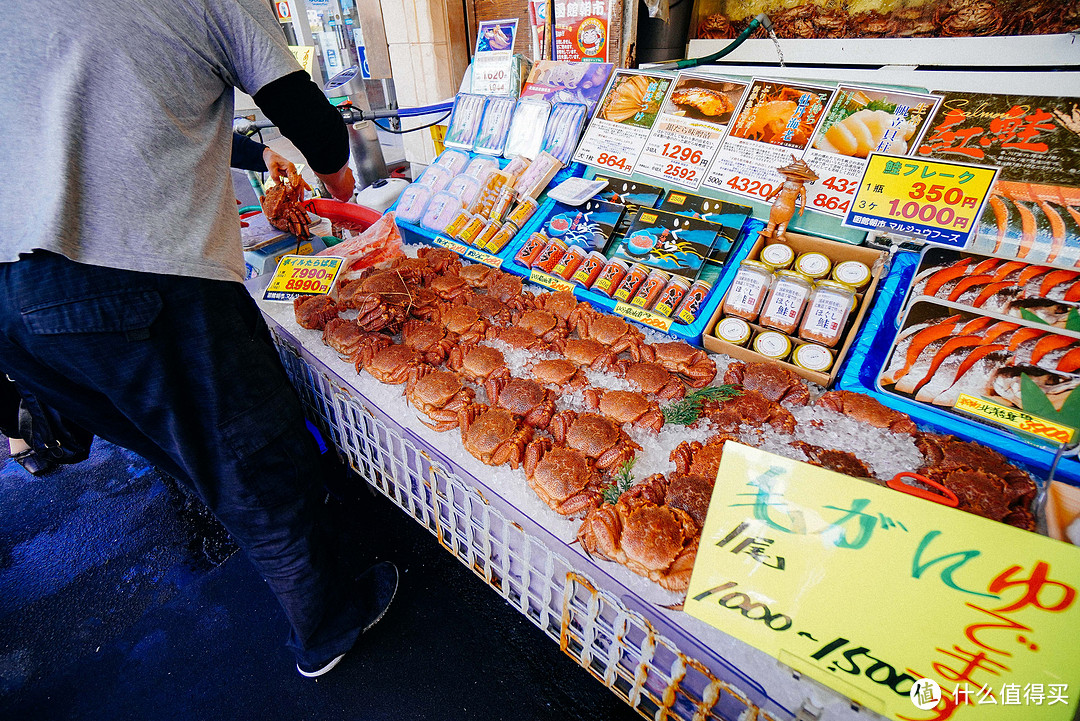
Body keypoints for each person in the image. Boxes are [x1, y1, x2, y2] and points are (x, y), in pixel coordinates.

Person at [0, 0, 397, 678]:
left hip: (15, 303)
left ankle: (253, 524)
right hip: (136, 276)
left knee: (184, 447)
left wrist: (255, 151)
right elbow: (316, 124)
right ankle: (328, 629)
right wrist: (337, 184)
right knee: (253, 462)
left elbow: (123, 100)